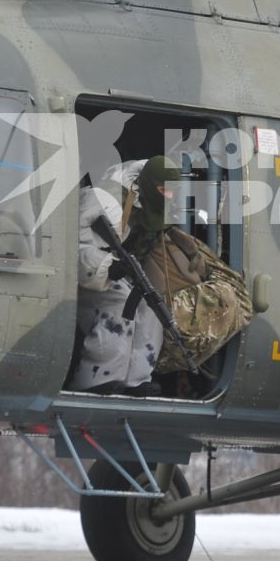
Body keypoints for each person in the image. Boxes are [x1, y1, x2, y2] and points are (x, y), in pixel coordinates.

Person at [69, 158, 170, 391]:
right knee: (119, 305)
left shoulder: (138, 202)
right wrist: (106, 265)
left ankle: (135, 380)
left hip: (102, 275)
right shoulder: (104, 198)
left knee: (150, 307)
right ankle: (97, 380)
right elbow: (66, 242)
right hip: (78, 277)